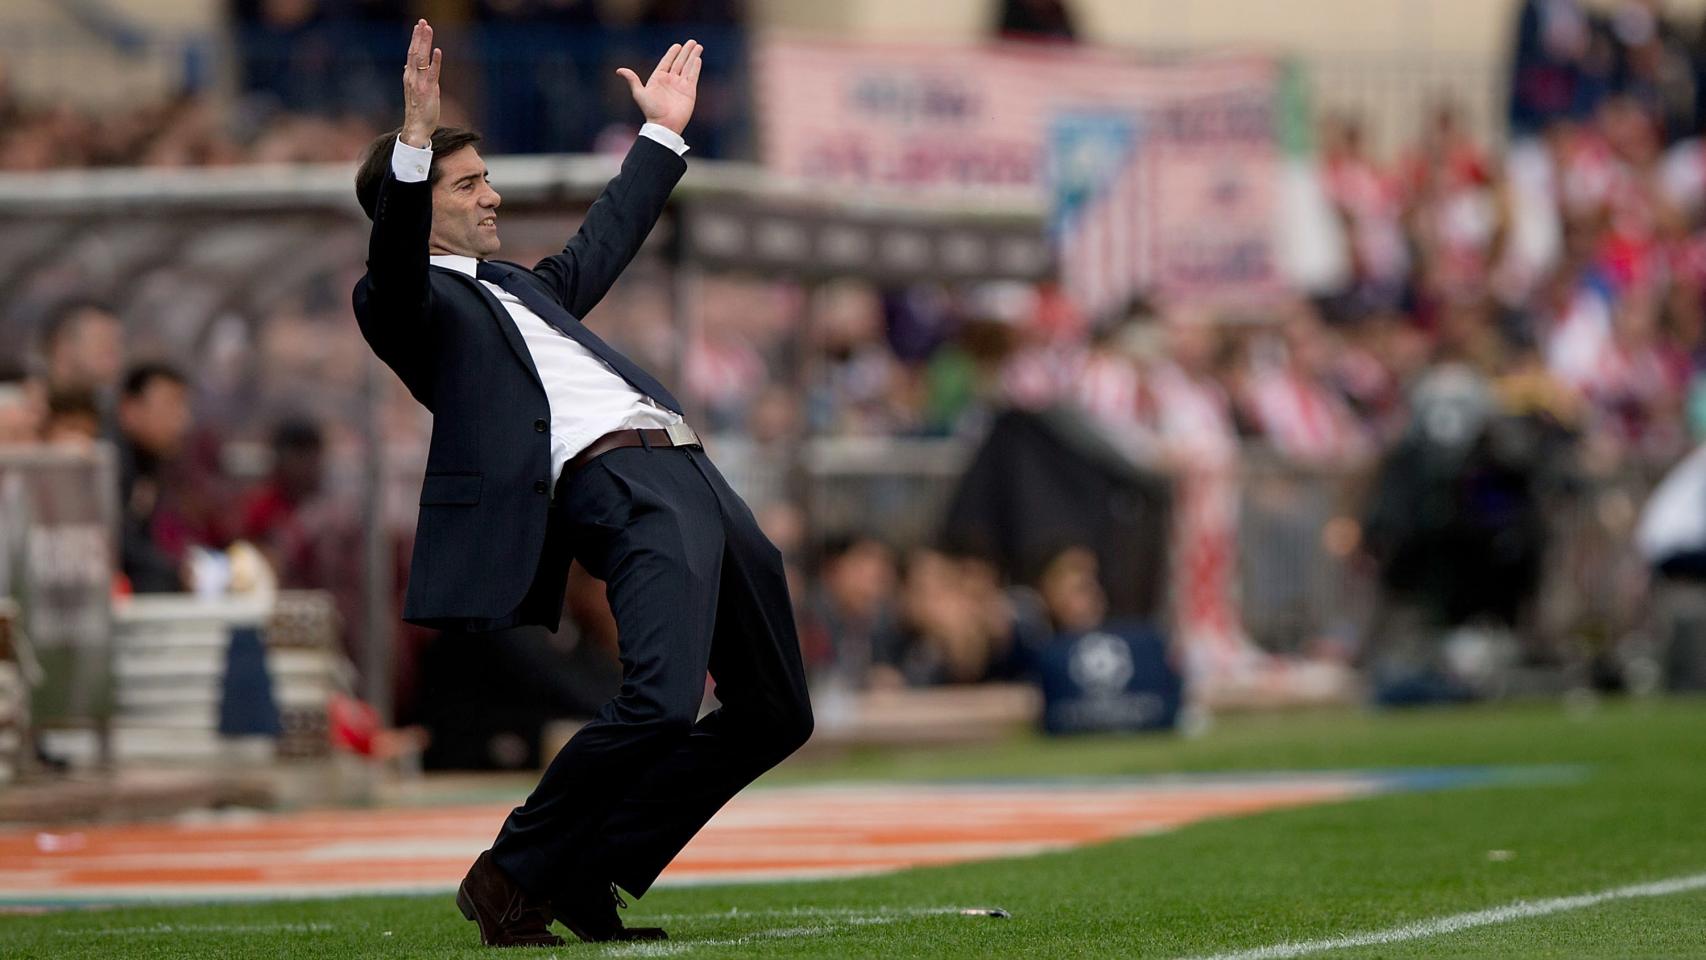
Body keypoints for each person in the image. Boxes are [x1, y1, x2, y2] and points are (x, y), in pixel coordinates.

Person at [351, 21, 811, 946]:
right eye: (470, 183)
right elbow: (395, 260)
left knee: (775, 712)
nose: (494, 195)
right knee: (659, 701)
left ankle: (581, 871)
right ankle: (514, 871)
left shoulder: (521, 287)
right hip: (617, 477)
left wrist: (662, 137)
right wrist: (412, 138)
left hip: (689, 468)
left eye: (486, 177)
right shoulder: (403, 301)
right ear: (418, 201)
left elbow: (602, 241)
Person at [114, 363, 192, 593]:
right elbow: (114, 544)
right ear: (130, 409)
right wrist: (174, 571)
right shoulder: (109, 461)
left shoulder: (150, 462)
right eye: (171, 405)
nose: (183, 419)